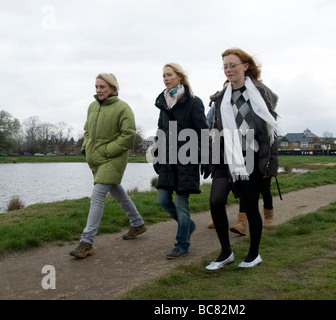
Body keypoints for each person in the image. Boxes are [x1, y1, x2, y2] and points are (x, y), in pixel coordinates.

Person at [205, 48, 279, 270]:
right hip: (225, 156)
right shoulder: (220, 99)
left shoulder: (260, 93)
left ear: (245, 66)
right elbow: (215, 130)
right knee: (216, 201)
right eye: (225, 66)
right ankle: (226, 252)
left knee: (249, 206)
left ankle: (253, 254)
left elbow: (270, 132)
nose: (228, 69)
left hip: (251, 156)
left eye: (232, 65)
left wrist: (267, 164)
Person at [70, 73, 147, 259]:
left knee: (97, 195)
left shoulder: (123, 108)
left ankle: (86, 242)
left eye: (102, 87)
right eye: (96, 87)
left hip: (113, 158)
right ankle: (137, 223)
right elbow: (87, 130)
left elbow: (128, 135)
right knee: (116, 191)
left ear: (113, 88)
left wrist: (107, 151)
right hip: (96, 158)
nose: (98, 90)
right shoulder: (92, 106)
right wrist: (85, 147)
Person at [153, 63, 209, 259]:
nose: (165, 79)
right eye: (163, 76)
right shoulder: (163, 103)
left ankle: (182, 244)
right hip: (167, 161)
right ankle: (189, 226)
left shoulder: (194, 102)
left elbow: (203, 131)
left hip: (187, 160)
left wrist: (206, 157)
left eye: (169, 75)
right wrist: (157, 155)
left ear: (180, 77)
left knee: (181, 204)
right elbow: (160, 131)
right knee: (162, 200)